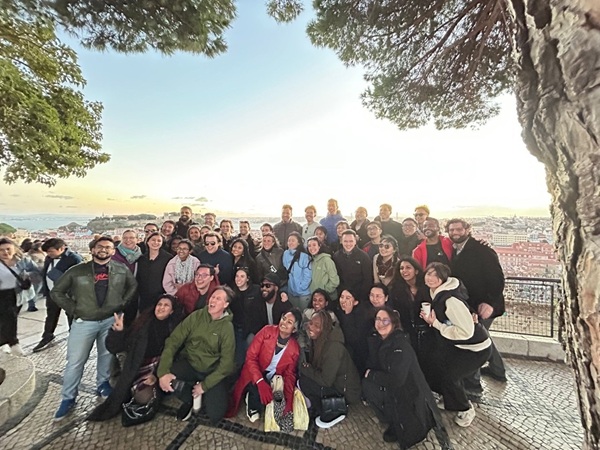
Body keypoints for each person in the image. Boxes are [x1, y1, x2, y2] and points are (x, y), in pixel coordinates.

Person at [51, 236, 138, 421]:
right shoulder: (77, 271)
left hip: (109, 319)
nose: (104, 250)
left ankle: (103, 383)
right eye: (100, 247)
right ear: (92, 250)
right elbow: (57, 291)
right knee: (75, 361)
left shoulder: (120, 269)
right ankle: (68, 397)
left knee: (106, 355)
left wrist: (122, 303)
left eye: (108, 247)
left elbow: (133, 285)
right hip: (85, 321)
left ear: (113, 251)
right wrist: (74, 308)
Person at [87, 295, 184, 422]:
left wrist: (156, 375)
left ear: (171, 311)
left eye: (166, 306)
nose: (161, 308)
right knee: (138, 395)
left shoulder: (174, 328)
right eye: (159, 304)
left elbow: (175, 355)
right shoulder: (142, 325)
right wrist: (118, 332)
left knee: (150, 395)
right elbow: (115, 347)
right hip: (138, 364)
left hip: (160, 366)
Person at [419, 262, 492, 427]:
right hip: (460, 346)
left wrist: (436, 323)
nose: (430, 278)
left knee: (451, 376)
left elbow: (466, 332)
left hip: (476, 348)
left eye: (435, 275)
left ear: (443, 279)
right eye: (428, 274)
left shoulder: (450, 300)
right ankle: (451, 400)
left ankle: (465, 408)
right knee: (439, 367)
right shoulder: (437, 292)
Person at [363, 307, 441, 446]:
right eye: (378, 319)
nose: (381, 323)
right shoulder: (379, 339)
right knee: (368, 387)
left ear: (394, 323)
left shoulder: (400, 345)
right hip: (394, 390)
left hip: (410, 394)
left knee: (409, 433)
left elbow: (397, 379)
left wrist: (372, 375)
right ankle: (393, 420)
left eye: (385, 320)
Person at [158, 286, 236, 424]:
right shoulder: (197, 316)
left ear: (226, 305)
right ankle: (188, 396)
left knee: (215, 415)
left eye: (218, 298)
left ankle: (203, 391)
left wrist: (204, 386)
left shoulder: (227, 328)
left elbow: (227, 364)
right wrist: (162, 371)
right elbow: (174, 341)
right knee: (168, 377)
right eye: (212, 297)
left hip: (211, 371)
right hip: (190, 363)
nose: (213, 300)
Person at [447, 218, 507, 388]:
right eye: (451, 230)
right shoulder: (455, 249)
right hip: (469, 304)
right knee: (482, 335)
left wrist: (489, 302)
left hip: (483, 305)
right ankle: (497, 369)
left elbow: (497, 279)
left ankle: (472, 385)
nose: (455, 233)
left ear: (468, 229)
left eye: (458, 229)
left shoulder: (482, 250)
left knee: (472, 340)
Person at [226, 309, 302, 424]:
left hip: (273, 378)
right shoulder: (267, 331)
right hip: (254, 372)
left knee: (272, 404)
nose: (284, 323)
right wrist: (260, 381)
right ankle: (250, 396)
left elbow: (289, 375)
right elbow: (251, 357)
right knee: (256, 405)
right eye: (284, 318)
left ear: (294, 329)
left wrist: (289, 400)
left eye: (289, 322)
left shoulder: (294, 349)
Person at [299, 310, 361, 428]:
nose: (311, 327)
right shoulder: (319, 339)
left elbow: (326, 380)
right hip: (334, 383)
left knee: (305, 381)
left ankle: (333, 409)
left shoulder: (334, 347)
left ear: (325, 328)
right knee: (305, 378)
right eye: (311, 323)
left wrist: (306, 369)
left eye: (317, 326)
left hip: (345, 392)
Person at [32, 238, 83, 353]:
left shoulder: (74, 258)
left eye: (51, 251)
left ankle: (75, 339)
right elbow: (45, 273)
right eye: (47, 252)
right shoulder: (49, 258)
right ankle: (47, 337)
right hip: (52, 294)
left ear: (61, 248)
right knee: (51, 316)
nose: (48, 254)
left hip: (68, 296)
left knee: (71, 317)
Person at [0, 238, 40, 356]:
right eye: (1, 250)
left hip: (16, 294)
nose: (5, 252)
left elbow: (37, 273)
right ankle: (12, 343)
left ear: (14, 249)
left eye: (8, 249)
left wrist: (27, 276)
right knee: (7, 319)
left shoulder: (23, 261)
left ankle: (9, 343)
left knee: (10, 318)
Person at [388, 256, 432, 364]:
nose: (404, 271)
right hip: (407, 331)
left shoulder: (427, 286)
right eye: (402, 268)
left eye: (408, 268)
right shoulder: (396, 289)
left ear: (416, 270)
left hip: (428, 331)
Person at [245, 274, 293, 343]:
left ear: (276, 288)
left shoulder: (284, 304)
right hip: (263, 335)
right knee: (250, 339)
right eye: (262, 285)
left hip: (280, 336)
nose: (264, 288)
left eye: (268, 286)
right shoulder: (256, 302)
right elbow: (253, 325)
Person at [229, 267, 261, 367]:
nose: (238, 279)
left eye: (242, 276)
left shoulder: (256, 290)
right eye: (237, 276)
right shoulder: (232, 293)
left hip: (252, 329)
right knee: (238, 358)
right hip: (237, 328)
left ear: (247, 278)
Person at [335, 288, 370, 375]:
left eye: (348, 298)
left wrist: (348, 314)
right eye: (342, 297)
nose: (343, 300)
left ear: (355, 302)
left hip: (358, 354)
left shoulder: (362, 314)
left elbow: (353, 338)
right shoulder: (338, 311)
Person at [136, 232, 172, 313]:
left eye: (159, 241)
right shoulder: (142, 259)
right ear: (147, 242)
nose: (156, 243)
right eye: (153, 240)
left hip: (161, 296)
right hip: (144, 296)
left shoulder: (168, 258)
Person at [333, 230, 372, 303]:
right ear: (341, 241)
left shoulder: (364, 256)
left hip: (359, 296)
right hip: (342, 295)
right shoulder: (336, 256)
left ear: (355, 241)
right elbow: (336, 276)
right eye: (345, 241)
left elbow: (368, 279)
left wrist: (359, 296)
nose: (348, 244)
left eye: (351, 241)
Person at [282, 232, 312, 310]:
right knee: (294, 313)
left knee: (303, 313)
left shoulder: (305, 256)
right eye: (289, 240)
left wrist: (301, 287)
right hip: (291, 290)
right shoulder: (285, 254)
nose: (290, 242)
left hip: (303, 292)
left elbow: (308, 274)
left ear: (298, 243)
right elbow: (286, 268)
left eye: (293, 240)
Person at [306, 236, 339, 301]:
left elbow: (335, 281)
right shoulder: (311, 260)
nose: (311, 248)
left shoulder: (326, 260)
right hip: (315, 298)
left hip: (328, 298)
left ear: (319, 246)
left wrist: (324, 290)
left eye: (314, 245)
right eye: (309, 246)